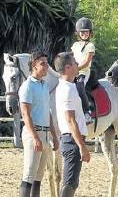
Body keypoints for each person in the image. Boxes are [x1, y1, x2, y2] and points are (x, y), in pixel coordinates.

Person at [19, 52, 59, 197]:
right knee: (29, 175)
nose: (46, 66)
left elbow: (47, 113)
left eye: (47, 63)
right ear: (33, 65)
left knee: (38, 177)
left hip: (46, 133)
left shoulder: (44, 85)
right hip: (33, 133)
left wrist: (54, 136)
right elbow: (26, 114)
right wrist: (35, 137)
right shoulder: (27, 86)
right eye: (43, 63)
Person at [54, 52, 91, 197]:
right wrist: (82, 146)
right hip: (72, 140)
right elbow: (70, 120)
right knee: (70, 182)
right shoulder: (67, 89)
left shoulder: (69, 87)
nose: (77, 65)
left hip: (72, 139)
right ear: (68, 68)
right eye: (75, 63)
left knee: (72, 182)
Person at [71, 17, 95, 124]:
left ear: (90, 33)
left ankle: (87, 112)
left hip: (83, 72)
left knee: (80, 86)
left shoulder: (90, 46)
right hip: (73, 72)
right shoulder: (75, 45)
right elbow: (71, 58)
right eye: (82, 32)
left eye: (86, 32)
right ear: (78, 33)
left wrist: (77, 69)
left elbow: (86, 61)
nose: (84, 34)